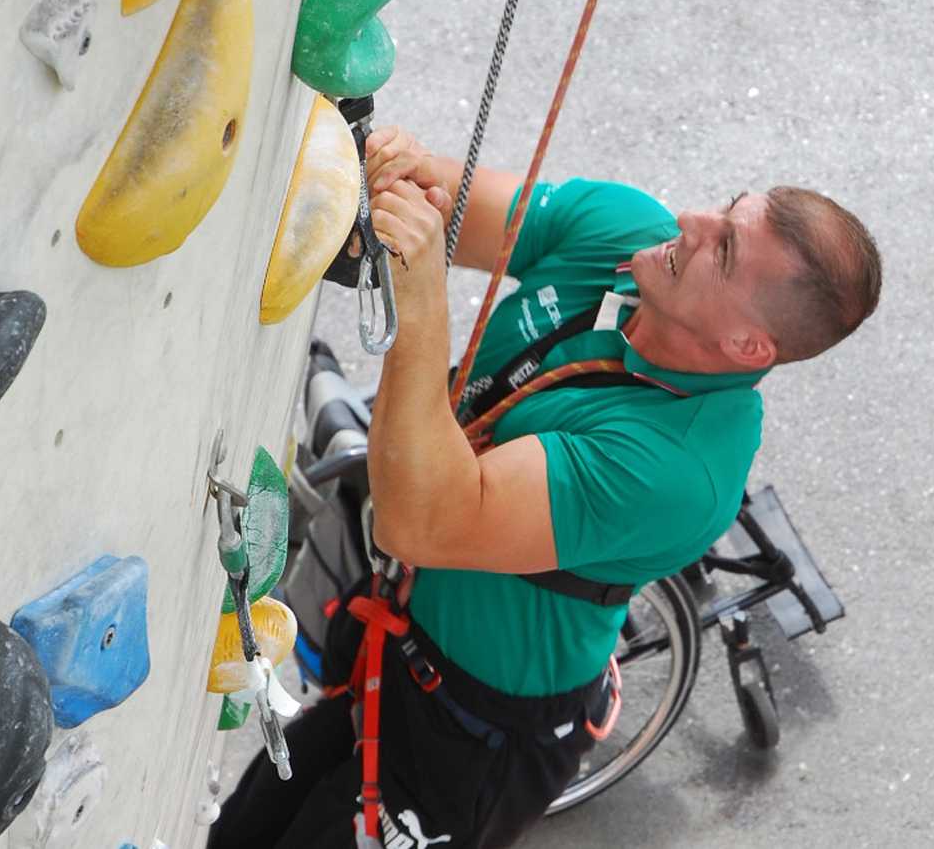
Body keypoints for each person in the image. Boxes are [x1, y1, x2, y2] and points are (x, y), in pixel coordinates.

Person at [210, 126, 881, 849]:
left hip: (472, 738)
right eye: (725, 209)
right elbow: (442, 202)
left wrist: (423, 301)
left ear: (749, 347)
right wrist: (390, 171)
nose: (690, 222)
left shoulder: (678, 472)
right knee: (241, 830)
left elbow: (421, 520)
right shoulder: (629, 235)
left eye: (722, 249)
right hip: (400, 643)